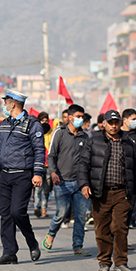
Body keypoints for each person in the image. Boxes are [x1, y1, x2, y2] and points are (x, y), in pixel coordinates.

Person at [77, 110, 136, 271]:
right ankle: (104, 261)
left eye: (116, 122)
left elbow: (135, 169)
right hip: (100, 193)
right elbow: (83, 165)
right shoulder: (94, 141)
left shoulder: (128, 142)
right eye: (110, 122)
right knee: (102, 228)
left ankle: (121, 262)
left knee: (120, 228)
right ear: (104, 124)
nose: (114, 126)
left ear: (121, 123)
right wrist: (84, 184)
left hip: (122, 192)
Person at [0, 89, 45, 265]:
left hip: (22, 175)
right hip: (4, 175)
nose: (4, 105)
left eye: (6, 102)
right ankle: (9, 252)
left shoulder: (32, 124)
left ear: (13, 104)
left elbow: (39, 150)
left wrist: (37, 173)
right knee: (5, 214)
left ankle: (31, 241)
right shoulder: (4, 124)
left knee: (17, 212)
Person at [42, 104, 92, 256]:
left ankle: (78, 246)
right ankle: (51, 234)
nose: (80, 119)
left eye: (82, 116)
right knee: (61, 213)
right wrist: (53, 173)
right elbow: (51, 156)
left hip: (80, 183)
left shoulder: (85, 136)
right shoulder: (60, 133)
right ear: (70, 117)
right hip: (61, 181)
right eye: (78, 116)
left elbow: (89, 160)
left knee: (80, 215)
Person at [33, 111, 53, 218]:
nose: (44, 123)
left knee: (46, 189)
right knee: (37, 188)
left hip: (48, 165)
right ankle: (37, 207)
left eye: (46, 121)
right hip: (38, 165)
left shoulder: (52, 133)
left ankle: (44, 208)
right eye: (42, 121)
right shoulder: (35, 133)